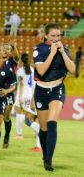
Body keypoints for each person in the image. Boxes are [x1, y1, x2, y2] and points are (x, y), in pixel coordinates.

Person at [33, 22, 75, 171]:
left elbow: (72, 69)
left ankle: (49, 161)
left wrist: (62, 52)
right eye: (53, 36)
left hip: (57, 89)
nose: (56, 39)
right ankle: (45, 155)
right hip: (41, 91)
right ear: (45, 36)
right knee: (43, 129)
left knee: (52, 123)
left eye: (58, 36)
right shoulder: (39, 49)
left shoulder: (65, 49)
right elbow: (42, 71)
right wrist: (52, 52)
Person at [15, 53, 41, 151]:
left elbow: (21, 85)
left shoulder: (20, 71)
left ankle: (40, 132)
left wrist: (20, 98)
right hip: (31, 95)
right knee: (33, 117)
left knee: (27, 119)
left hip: (23, 95)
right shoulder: (33, 70)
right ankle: (38, 142)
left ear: (21, 60)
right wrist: (34, 98)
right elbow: (34, 85)